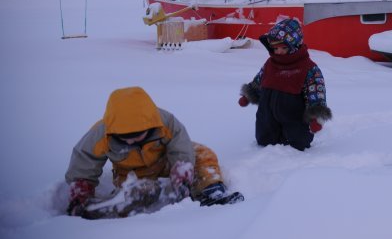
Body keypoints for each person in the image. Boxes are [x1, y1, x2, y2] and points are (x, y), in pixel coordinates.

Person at [65, 86, 242, 217]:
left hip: (164, 162)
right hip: (130, 174)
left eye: (139, 135)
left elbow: (180, 143)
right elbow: (84, 159)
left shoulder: (164, 121)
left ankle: (210, 190)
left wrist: (182, 167)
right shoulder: (101, 133)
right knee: (137, 192)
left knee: (202, 153)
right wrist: (81, 188)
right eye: (127, 138)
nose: (134, 141)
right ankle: (110, 206)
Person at [238, 18, 332, 151]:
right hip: (267, 114)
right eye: (275, 48)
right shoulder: (270, 64)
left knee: (296, 141)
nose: (279, 52)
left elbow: (316, 92)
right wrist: (249, 94)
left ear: (295, 46)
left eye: (283, 48)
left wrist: (316, 117)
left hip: (294, 117)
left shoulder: (308, 69)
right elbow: (259, 80)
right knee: (264, 136)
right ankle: (266, 140)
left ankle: (295, 144)